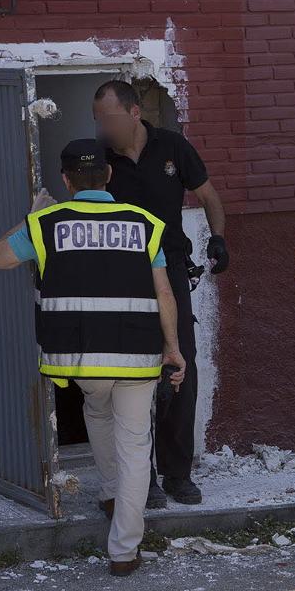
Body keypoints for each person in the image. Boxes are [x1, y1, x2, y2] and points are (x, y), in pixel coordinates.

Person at [0, 138, 186, 577]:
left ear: (66, 180)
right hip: (136, 353)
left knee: (97, 410)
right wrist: (172, 348)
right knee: (136, 443)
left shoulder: (49, 223)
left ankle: (112, 492)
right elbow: (164, 290)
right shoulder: (144, 223)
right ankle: (124, 549)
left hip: (79, 356)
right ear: (109, 176)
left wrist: (35, 214)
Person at [92, 80, 228, 508]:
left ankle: (177, 475)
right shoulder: (100, 160)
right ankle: (142, 477)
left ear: (134, 113)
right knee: (132, 378)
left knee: (179, 372)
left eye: (108, 118)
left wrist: (218, 238)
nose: (103, 127)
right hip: (121, 278)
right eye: (98, 119)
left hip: (169, 273)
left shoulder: (172, 147)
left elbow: (208, 195)